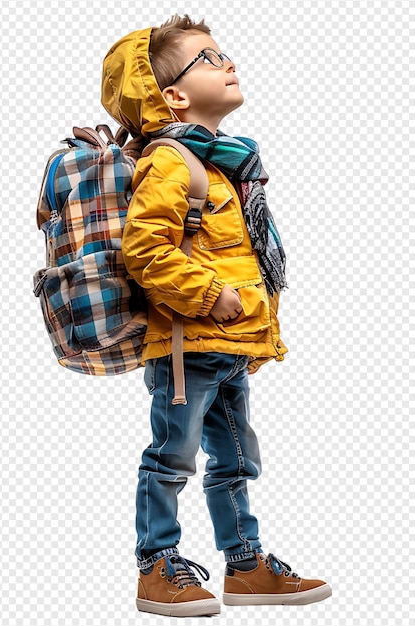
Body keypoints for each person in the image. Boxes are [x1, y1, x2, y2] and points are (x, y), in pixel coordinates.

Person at [101, 14, 332, 617]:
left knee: (235, 461)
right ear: (172, 95)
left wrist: (254, 334)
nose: (228, 63)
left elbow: (245, 259)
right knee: (170, 457)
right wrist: (208, 295)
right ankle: (156, 568)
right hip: (185, 346)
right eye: (209, 57)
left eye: (225, 52)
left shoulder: (230, 164)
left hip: (228, 346)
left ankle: (246, 565)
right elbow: (146, 249)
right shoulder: (172, 162)